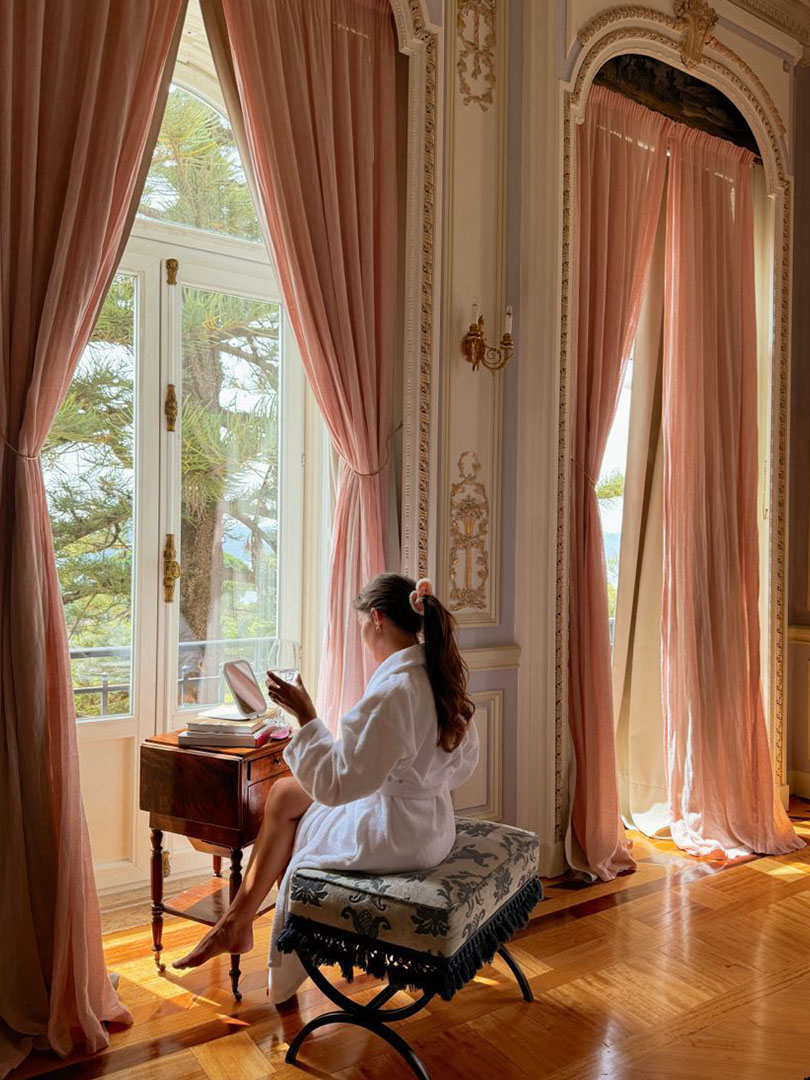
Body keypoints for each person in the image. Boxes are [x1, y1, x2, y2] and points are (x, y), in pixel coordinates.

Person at [173, 573, 479, 1003]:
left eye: (361, 626)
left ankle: (263, 933)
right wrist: (407, 777)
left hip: (398, 838)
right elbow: (460, 765)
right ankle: (238, 922)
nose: (363, 639)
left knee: (298, 825)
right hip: (432, 824)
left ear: (377, 618)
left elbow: (336, 787)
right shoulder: (438, 674)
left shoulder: (395, 691)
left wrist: (307, 716)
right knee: (284, 795)